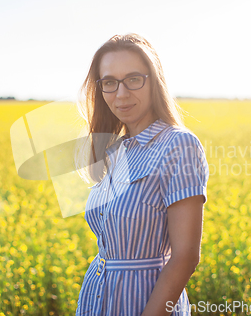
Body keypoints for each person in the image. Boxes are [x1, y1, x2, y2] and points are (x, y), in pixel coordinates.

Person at [75, 33, 209, 316]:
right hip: (96, 300)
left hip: (147, 303)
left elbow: (185, 256)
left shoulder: (178, 144)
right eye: (109, 82)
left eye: (134, 79)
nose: (121, 94)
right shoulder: (114, 151)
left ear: (154, 82)